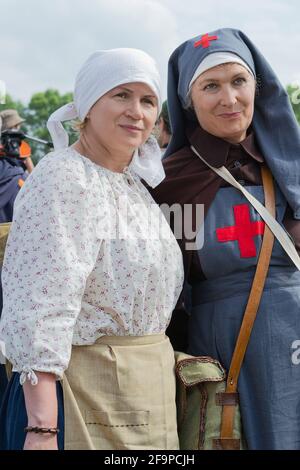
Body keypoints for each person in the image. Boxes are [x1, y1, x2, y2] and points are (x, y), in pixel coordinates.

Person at [0, 48, 184, 450]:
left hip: (143, 395)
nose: (137, 111)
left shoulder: (133, 185)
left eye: (148, 100)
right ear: (87, 105)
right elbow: (41, 303)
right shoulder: (65, 177)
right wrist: (42, 428)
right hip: (84, 396)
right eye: (121, 94)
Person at [150, 28, 300, 450]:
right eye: (211, 86)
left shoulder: (293, 164)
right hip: (224, 348)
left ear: (258, 86)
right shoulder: (169, 183)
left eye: (239, 81)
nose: (229, 99)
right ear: (188, 100)